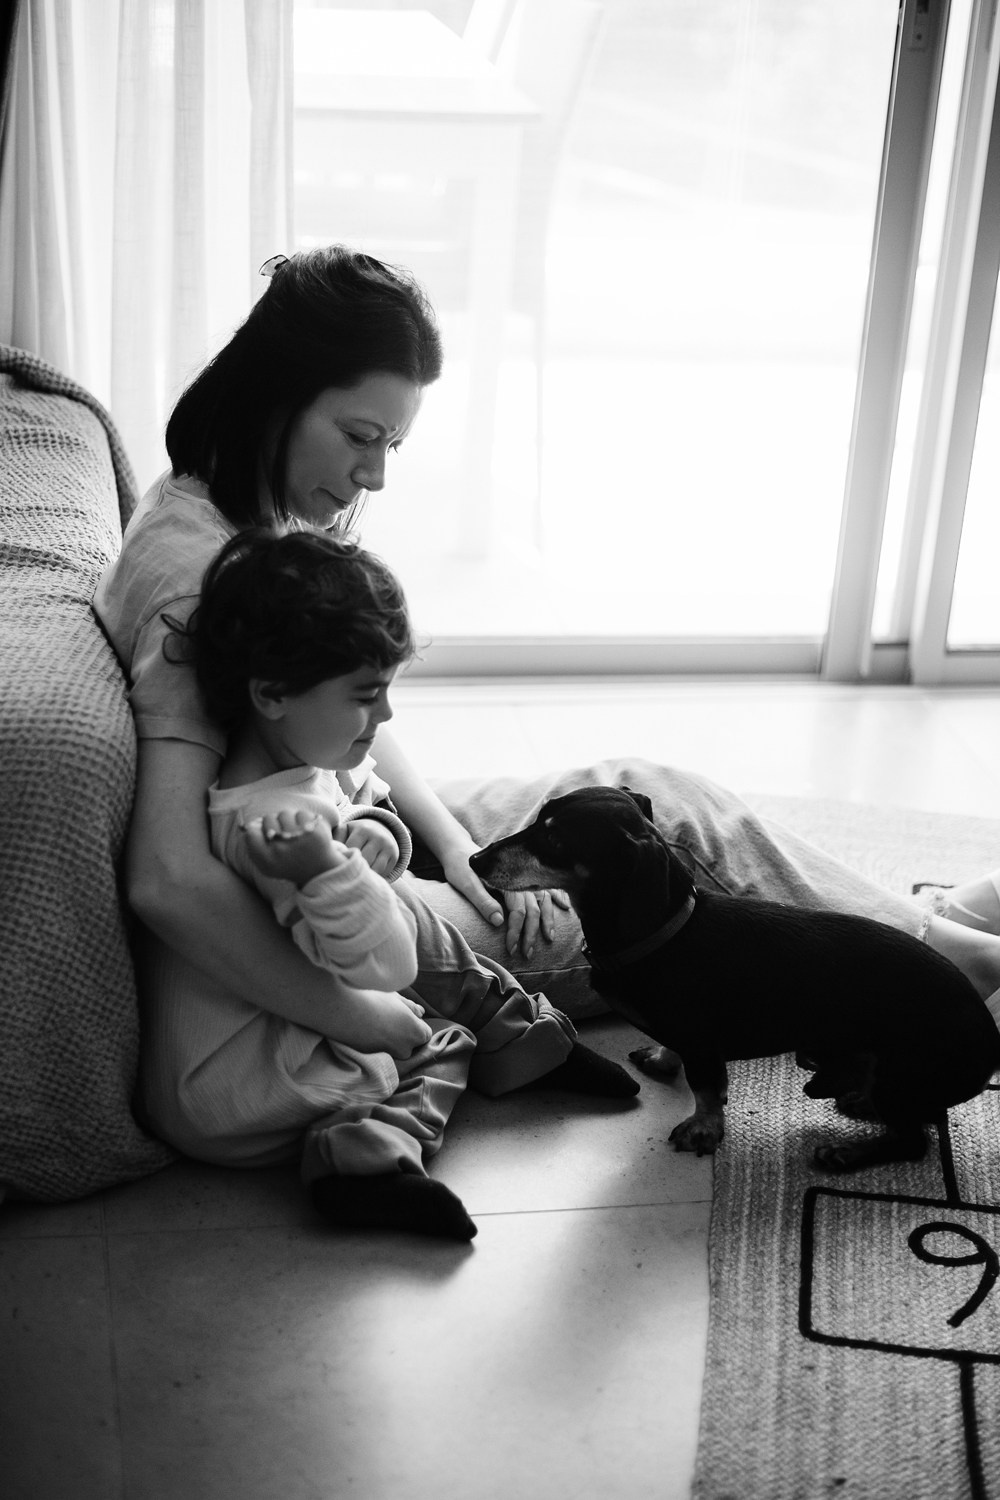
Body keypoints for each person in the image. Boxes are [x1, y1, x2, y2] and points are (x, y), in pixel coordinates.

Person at [94, 244, 1000, 1157]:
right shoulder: (197, 583)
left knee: (648, 791)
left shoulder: (235, 508)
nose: (375, 477)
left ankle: (937, 944)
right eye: (360, 436)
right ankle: (949, 956)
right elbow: (168, 879)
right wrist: (369, 1016)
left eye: (390, 445)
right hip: (349, 907)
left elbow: (338, 712)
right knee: (664, 888)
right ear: (276, 390)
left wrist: (456, 846)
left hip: (362, 828)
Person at [148, 526, 635, 1240]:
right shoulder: (278, 834)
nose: (385, 715)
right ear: (272, 693)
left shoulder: (274, 771)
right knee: (440, 1041)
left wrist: (373, 836)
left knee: (404, 902)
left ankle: (521, 1037)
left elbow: (357, 814)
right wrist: (329, 870)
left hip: (221, 1059)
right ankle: (363, 1159)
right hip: (249, 1083)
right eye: (366, 696)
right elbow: (388, 965)